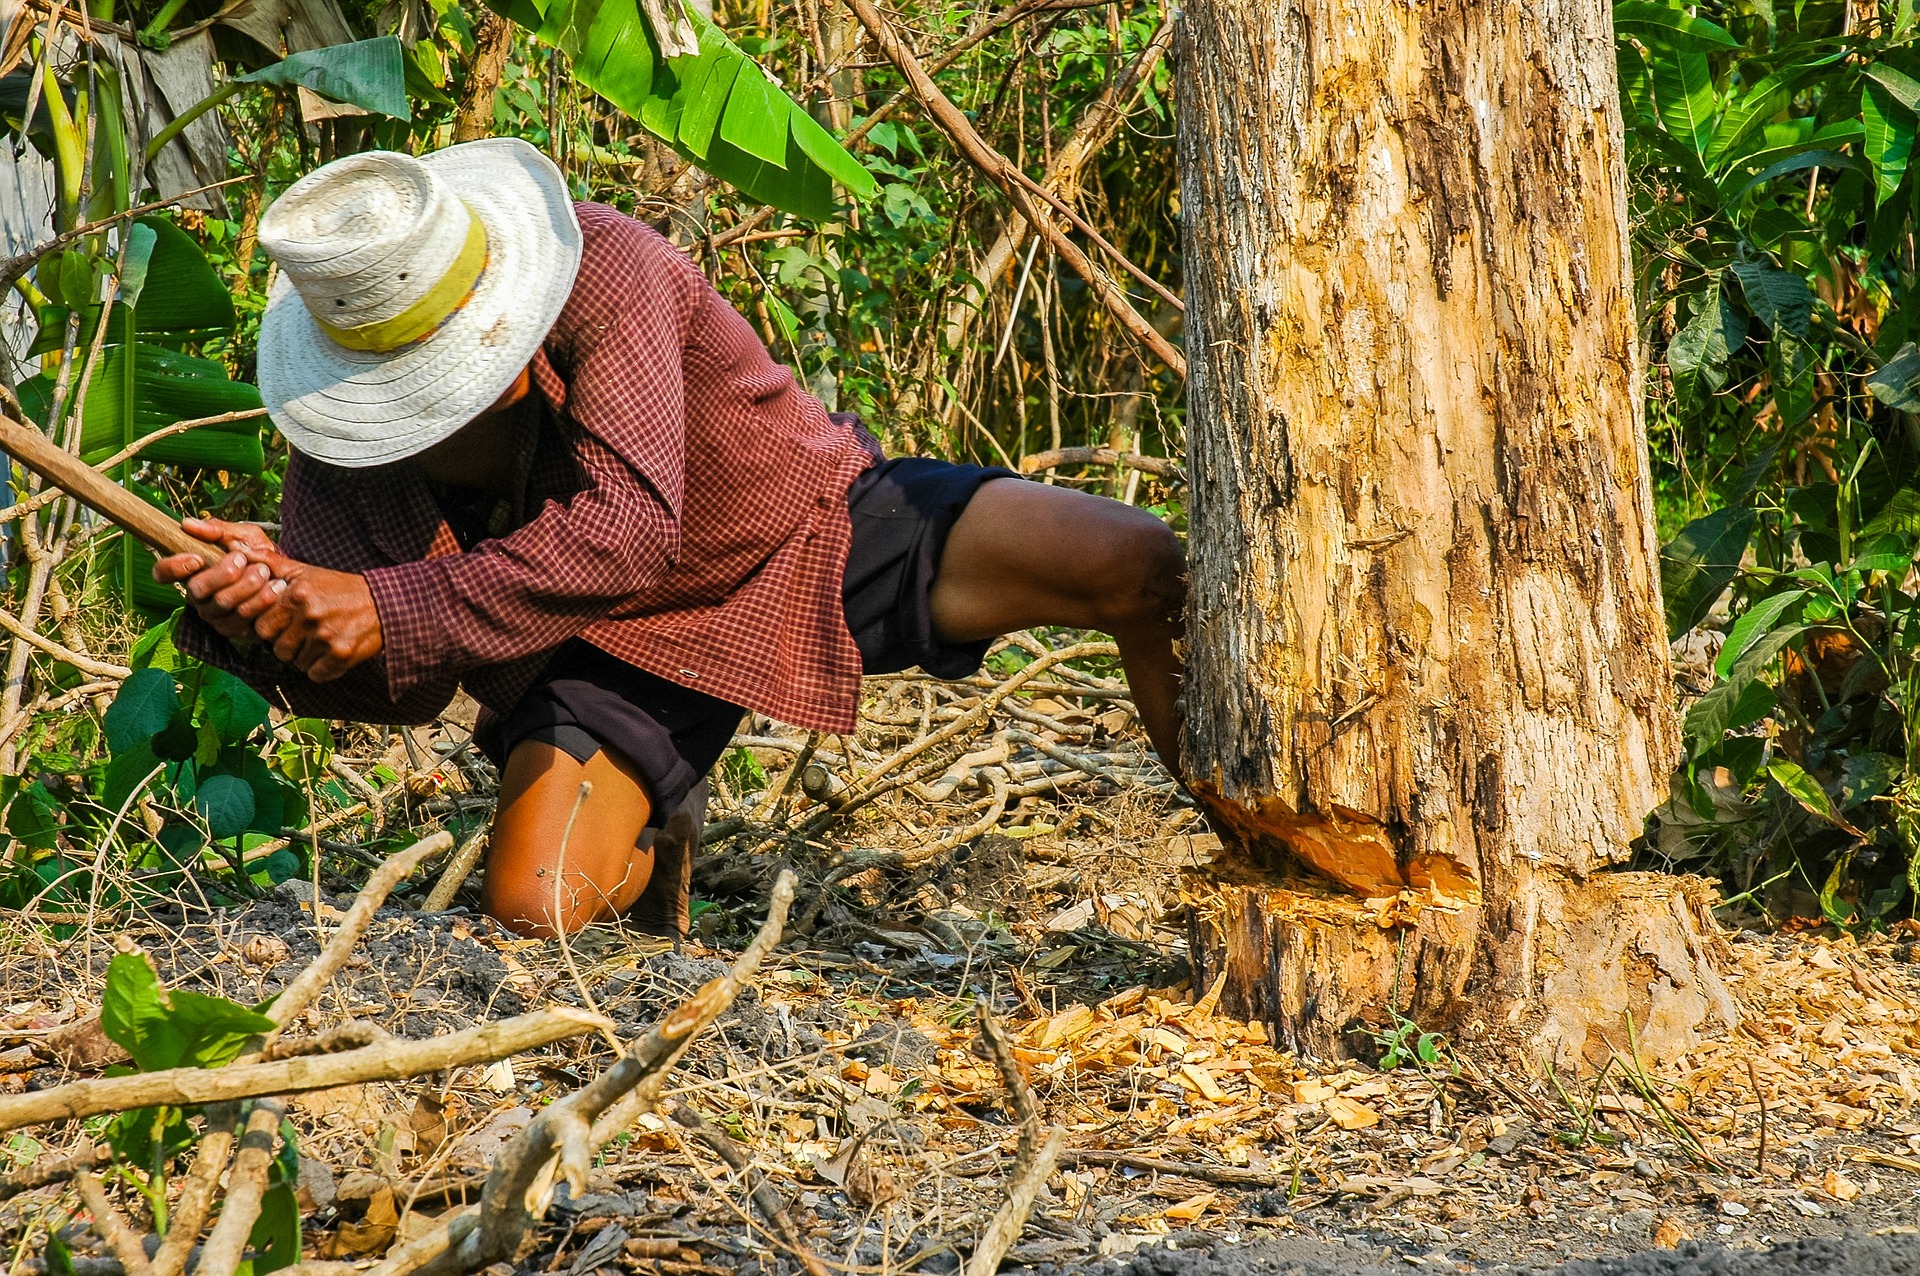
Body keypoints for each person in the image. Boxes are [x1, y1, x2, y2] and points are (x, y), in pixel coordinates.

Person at [160, 138, 1185, 938]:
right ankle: (654, 821)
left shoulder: (608, 268)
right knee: (531, 907)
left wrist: (382, 606)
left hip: (797, 531)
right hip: (596, 644)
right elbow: (411, 685)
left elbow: (628, 530)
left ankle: (1272, 842)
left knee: (1142, 569)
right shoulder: (339, 431)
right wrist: (271, 625)